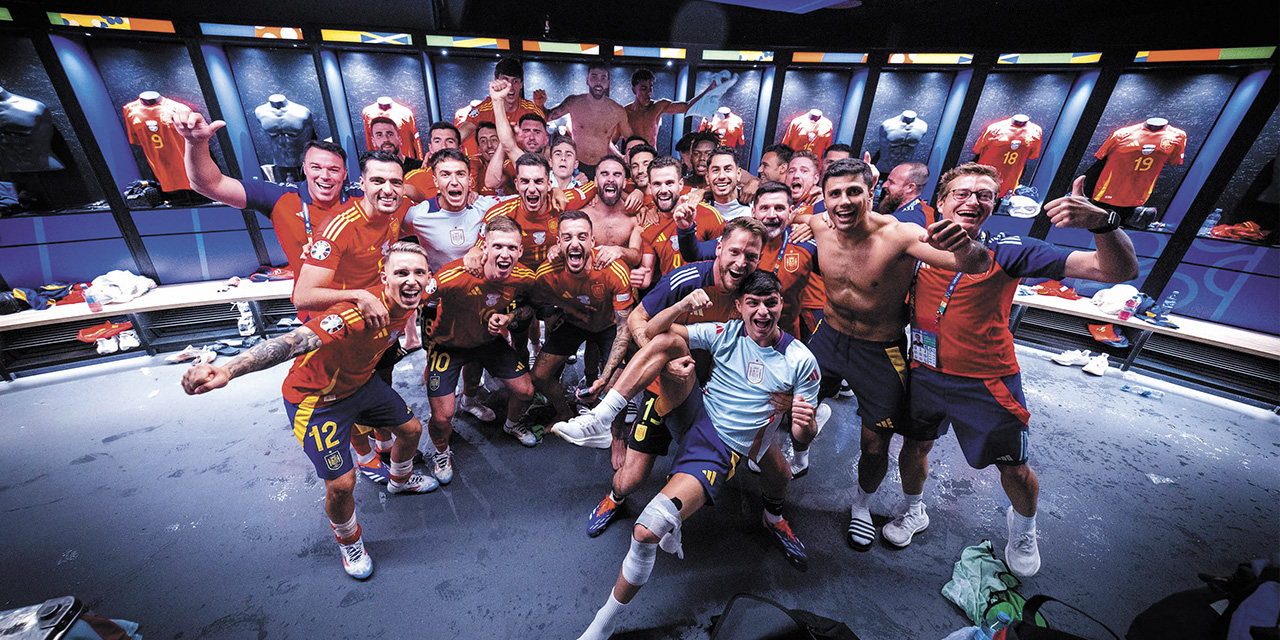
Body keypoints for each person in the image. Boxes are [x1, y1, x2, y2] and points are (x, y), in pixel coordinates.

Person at [884, 166, 1138, 578]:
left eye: (985, 196)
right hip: (924, 371)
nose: (973, 201)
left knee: (1014, 468)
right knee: (914, 448)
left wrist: (1105, 225)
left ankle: (1023, 529)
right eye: (963, 193)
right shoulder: (917, 245)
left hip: (987, 381)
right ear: (941, 202)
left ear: (993, 207)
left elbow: (1116, 272)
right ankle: (913, 511)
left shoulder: (1010, 248)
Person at [573, 271, 820, 640]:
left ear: (782, 305)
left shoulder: (801, 360)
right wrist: (685, 304)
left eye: (771, 302)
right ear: (739, 306)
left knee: (645, 533)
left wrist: (807, 426)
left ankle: (600, 626)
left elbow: (802, 435)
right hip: (692, 410)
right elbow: (656, 332)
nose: (763, 311)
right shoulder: (727, 331)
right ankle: (601, 418)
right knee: (669, 342)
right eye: (753, 303)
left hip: (718, 448)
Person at [181, 243, 440, 579]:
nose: (412, 280)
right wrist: (229, 369)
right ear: (384, 278)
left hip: (361, 385)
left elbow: (450, 276)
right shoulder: (355, 313)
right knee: (342, 484)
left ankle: (400, 480)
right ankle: (349, 541)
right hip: (316, 401)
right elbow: (295, 341)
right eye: (402, 273)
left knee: (411, 430)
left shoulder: (421, 291)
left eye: (419, 273)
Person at [797, 158, 992, 552]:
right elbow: (774, 217)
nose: (844, 201)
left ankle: (862, 506)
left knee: (875, 443)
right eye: (835, 193)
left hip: (879, 351)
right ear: (824, 197)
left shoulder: (902, 235)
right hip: (828, 337)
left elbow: (971, 264)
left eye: (854, 191)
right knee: (797, 405)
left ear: (872, 192)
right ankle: (799, 453)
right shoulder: (817, 224)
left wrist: (966, 245)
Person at [168, 106, 350, 278]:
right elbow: (209, 185)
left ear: (344, 173)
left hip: (366, 300)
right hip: (316, 304)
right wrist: (196, 142)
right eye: (316, 167)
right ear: (305, 169)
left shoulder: (362, 197)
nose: (324, 176)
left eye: (334, 169)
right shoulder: (280, 196)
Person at [424, 216, 541, 482]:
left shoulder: (524, 278)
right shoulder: (451, 277)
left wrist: (510, 318)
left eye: (512, 248)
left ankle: (512, 425)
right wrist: (427, 345)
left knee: (527, 392)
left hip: (489, 343)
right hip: (448, 347)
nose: (505, 253)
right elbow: (422, 303)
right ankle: (442, 451)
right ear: (484, 247)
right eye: (498, 246)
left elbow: (529, 308)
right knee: (443, 417)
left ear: (520, 251)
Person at [531, 211, 634, 423]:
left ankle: (617, 438)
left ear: (593, 241)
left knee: (618, 385)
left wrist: (603, 379)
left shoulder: (613, 270)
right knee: (539, 375)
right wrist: (553, 315)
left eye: (582, 237)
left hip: (609, 326)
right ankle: (564, 412)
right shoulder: (546, 273)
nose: (575, 244)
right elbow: (538, 304)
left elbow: (624, 330)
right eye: (567, 238)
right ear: (558, 243)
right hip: (574, 324)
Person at [539, 64, 634, 175]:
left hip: (601, 167)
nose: (598, 82)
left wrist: (626, 157)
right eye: (594, 77)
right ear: (587, 80)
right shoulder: (574, 103)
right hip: (576, 165)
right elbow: (548, 117)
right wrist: (541, 105)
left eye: (603, 78)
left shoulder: (617, 111)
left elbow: (631, 139)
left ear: (608, 83)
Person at [457, 57, 545, 146]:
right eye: (505, 80)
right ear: (496, 81)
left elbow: (544, 144)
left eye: (515, 81)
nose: (510, 86)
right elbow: (457, 138)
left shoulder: (532, 110)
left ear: (521, 84)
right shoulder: (483, 110)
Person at [624, 69, 718, 147]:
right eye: (644, 89)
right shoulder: (625, 113)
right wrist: (621, 156)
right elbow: (611, 140)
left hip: (651, 160)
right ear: (633, 90)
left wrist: (710, 88)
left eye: (650, 89)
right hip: (632, 161)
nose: (648, 93)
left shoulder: (658, 107)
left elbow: (687, 107)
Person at [403, 122, 463, 202]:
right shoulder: (413, 179)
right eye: (437, 141)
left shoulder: (475, 167)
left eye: (450, 141)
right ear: (430, 148)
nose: (443, 147)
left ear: (460, 148)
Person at [879, 161, 935, 226]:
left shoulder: (916, 217)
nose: (884, 185)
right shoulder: (896, 206)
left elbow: (880, 225)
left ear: (910, 187)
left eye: (891, 182)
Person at [703, 145, 751, 220]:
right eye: (716, 170)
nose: (721, 176)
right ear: (707, 177)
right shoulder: (699, 209)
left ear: (738, 174)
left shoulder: (755, 207)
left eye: (728, 169)